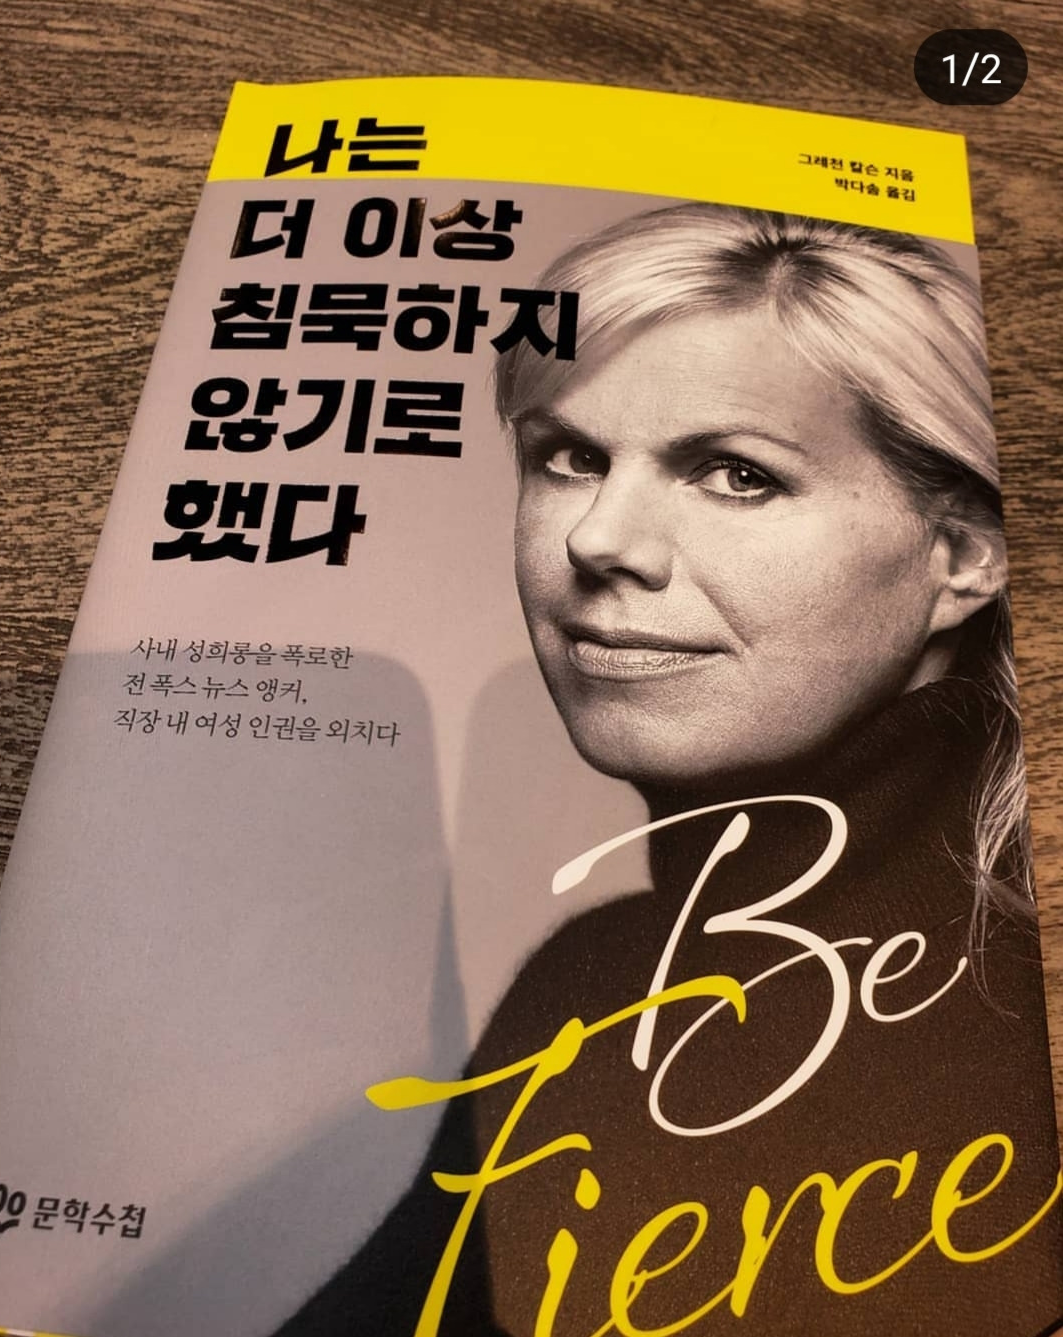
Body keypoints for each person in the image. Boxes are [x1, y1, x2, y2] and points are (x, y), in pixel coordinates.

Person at [272, 205, 1063, 1336]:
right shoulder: (599, 990)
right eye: (570, 457)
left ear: (963, 557)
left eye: (736, 473)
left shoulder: (1005, 1008)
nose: (598, 538)